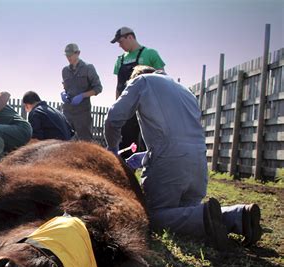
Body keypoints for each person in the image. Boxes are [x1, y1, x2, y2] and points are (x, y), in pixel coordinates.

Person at [105, 65, 262, 250]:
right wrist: (147, 155)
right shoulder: (185, 90)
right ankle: (238, 215)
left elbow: (113, 119)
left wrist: (113, 151)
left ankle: (204, 216)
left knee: (151, 216)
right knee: (184, 212)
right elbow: (179, 136)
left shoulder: (142, 81)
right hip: (199, 163)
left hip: (170, 163)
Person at [111, 26, 165, 157]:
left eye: (121, 41)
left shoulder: (150, 54)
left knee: (147, 141)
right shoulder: (120, 60)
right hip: (127, 107)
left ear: (130, 37)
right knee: (126, 142)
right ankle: (126, 169)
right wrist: (117, 104)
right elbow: (118, 86)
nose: (120, 45)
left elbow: (163, 79)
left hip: (147, 106)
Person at [61, 43, 103, 141]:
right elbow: (66, 88)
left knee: (85, 142)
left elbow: (98, 88)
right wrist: (64, 94)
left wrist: (82, 95)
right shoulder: (65, 71)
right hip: (68, 111)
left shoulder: (88, 68)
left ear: (78, 53)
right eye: (67, 55)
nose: (68, 57)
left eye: (70, 55)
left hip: (82, 113)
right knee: (64, 140)